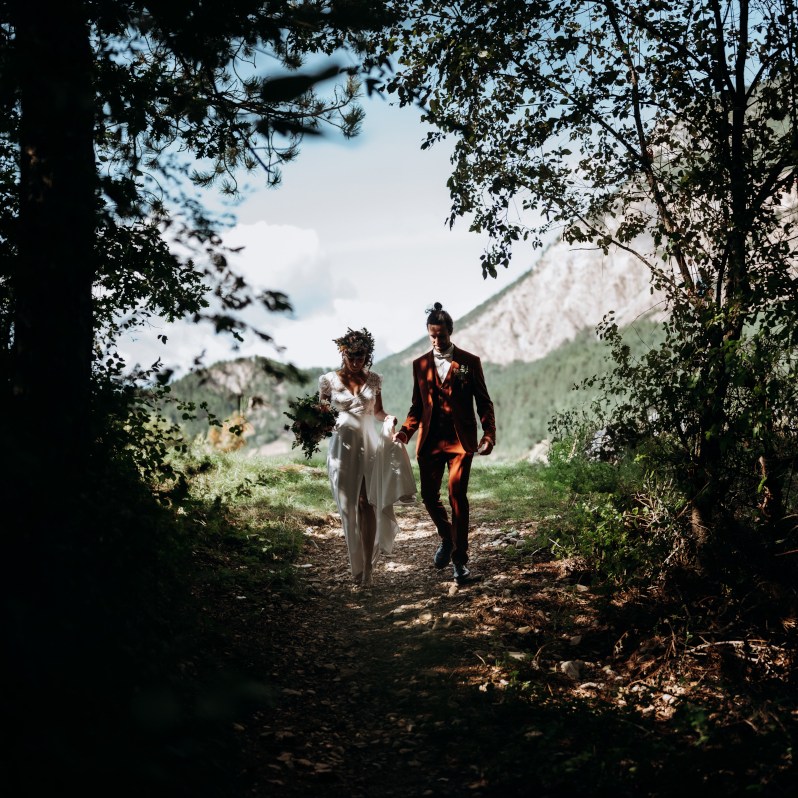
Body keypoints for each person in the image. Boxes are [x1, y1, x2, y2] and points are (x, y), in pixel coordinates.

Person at [393, 303, 496, 584]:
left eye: (441, 335)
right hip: (430, 441)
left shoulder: (469, 362)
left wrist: (488, 435)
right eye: (432, 336)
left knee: (457, 496)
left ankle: (460, 562)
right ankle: (448, 537)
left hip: (461, 442)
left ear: (450, 332)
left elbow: (484, 402)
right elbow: (417, 406)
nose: (437, 340)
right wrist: (405, 432)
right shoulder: (419, 365)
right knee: (428, 496)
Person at [319, 328, 416, 588]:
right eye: (351, 356)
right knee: (347, 508)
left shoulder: (374, 380)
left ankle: (369, 567)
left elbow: (378, 411)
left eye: (360, 357)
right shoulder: (328, 381)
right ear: (343, 353)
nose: (355, 361)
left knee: (367, 502)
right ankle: (357, 567)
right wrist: (313, 424)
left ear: (367, 356)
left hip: (368, 445)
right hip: (341, 449)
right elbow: (322, 415)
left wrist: (389, 418)